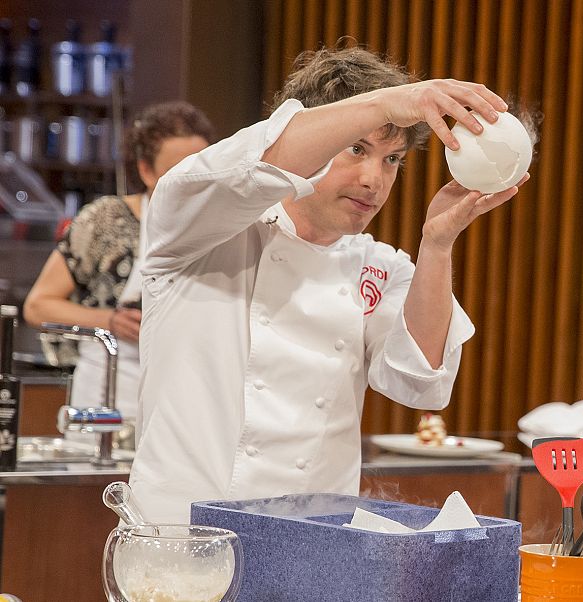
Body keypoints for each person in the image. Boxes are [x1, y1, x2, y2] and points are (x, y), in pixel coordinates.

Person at [129, 46, 529, 523]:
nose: (373, 181)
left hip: (312, 546)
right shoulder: (200, 228)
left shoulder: (376, 266)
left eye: (391, 160)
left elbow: (421, 382)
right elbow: (251, 166)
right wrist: (387, 103)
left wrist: (438, 244)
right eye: (357, 149)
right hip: (181, 540)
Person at [23, 102, 214, 433]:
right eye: (178, 172)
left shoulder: (221, 227)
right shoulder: (105, 221)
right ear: (145, 170)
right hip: (109, 392)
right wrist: (109, 320)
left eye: (202, 168)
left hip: (186, 399)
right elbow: (38, 306)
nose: (192, 182)